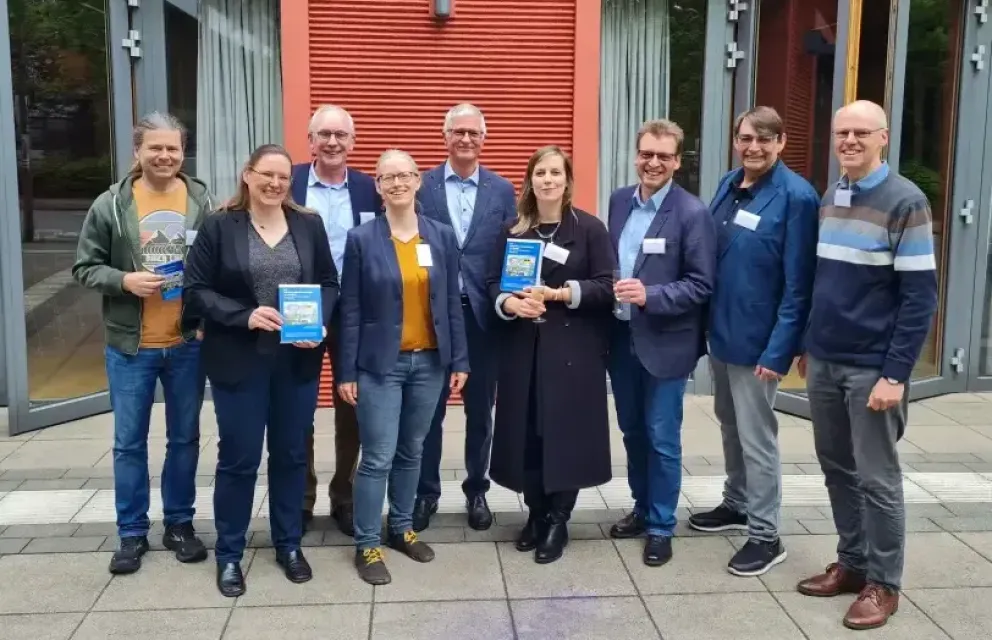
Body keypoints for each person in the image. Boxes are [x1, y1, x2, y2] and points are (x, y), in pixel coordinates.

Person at [795, 100, 938, 631]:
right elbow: (826, 283)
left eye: (860, 133)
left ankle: (885, 583)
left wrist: (896, 374)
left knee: (878, 479)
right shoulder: (835, 194)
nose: (849, 141)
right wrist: (811, 345)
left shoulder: (906, 201)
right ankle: (853, 564)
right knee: (837, 470)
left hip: (873, 369)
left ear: (883, 138)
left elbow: (920, 297)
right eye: (841, 133)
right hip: (828, 361)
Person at [184, 144, 339, 597]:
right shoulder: (218, 225)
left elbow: (329, 282)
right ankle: (229, 554)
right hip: (238, 357)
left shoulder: (309, 225)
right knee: (239, 457)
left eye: (283, 177)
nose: (275, 184)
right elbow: (195, 292)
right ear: (247, 175)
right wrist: (243, 315)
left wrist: (321, 321)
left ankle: (288, 544)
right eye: (266, 175)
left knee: (291, 455)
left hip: (296, 358)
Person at [72, 112, 213, 576]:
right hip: (132, 345)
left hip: (186, 340)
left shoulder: (199, 198)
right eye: (155, 147)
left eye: (173, 148)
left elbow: (213, 262)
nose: (165, 156)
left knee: (184, 439)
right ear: (138, 151)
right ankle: (132, 533)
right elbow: (84, 267)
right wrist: (123, 279)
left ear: (182, 152)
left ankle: (179, 525)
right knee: (129, 443)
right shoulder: (111, 204)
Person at [689, 106, 819, 577]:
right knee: (729, 424)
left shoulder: (797, 197)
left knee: (757, 437)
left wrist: (780, 349)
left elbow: (798, 284)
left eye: (765, 139)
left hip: (760, 342)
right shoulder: (729, 182)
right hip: (721, 332)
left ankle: (766, 535)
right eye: (746, 138)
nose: (754, 147)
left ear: (781, 142)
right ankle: (737, 502)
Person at [337, 149, 469, 585]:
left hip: (430, 362)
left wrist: (460, 358)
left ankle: (401, 527)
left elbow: (451, 301)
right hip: (380, 365)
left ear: (417, 182)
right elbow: (350, 309)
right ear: (377, 186)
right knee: (377, 455)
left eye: (404, 176)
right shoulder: (362, 239)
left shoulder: (442, 236)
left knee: (412, 450)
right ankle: (367, 543)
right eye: (386, 177)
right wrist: (347, 371)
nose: (396, 183)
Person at [487, 145, 615, 564]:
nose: (547, 179)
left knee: (566, 435)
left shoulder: (590, 230)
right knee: (529, 432)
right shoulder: (512, 231)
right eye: (540, 172)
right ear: (530, 180)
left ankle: (559, 519)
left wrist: (559, 293)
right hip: (524, 351)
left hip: (573, 353)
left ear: (566, 181)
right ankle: (536, 513)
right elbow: (492, 283)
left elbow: (605, 286)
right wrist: (509, 304)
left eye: (555, 172)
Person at [606, 119, 717, 567]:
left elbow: (702, 284)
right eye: (646, 154)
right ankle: (641, 506)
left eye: (663, 156)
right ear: (636, 155)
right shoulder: (618, 202)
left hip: (667, 344)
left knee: (662, 437)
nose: (653, 163)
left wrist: (650, 296)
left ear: (676, 161)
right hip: (620, 339)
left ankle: (661, 525)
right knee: (632, 431)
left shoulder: (692, 213)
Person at [413, 103, 517, 532]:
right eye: (458, 132)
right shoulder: (423, 186)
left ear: (483, 139)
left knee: (480, 410)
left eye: (474, 133)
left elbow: (512, 252)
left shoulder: (502, 190)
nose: (466, 139)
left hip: (481, 317)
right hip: (432, 315)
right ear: (445, 136)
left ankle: (477, 490)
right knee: (429, 411)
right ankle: (426, 492)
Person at [290, 104, 382, 537]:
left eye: (340, 135)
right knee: (298, 405)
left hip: (354, 309)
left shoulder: (369, 188)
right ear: (310, 140)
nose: (331, 142)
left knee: (352, 407)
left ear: (353, 142)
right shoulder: (286, 182)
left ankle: (344, 497)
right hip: (301, 307)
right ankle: (301, 498)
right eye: (323, 134)